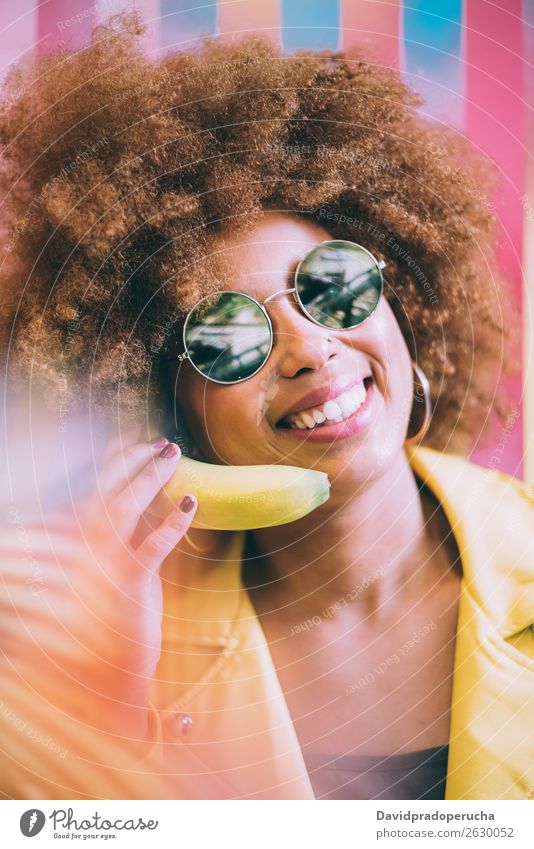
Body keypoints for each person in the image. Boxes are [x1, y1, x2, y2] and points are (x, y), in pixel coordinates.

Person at [0, 15, 532, 800]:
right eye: (224, 334)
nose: (312, 348)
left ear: (400, 303)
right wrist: (103, 708)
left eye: (332, 285)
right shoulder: (76, 636)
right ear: (164, 403)